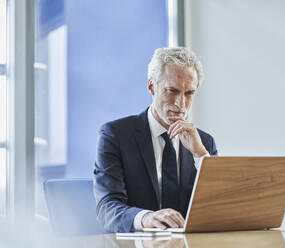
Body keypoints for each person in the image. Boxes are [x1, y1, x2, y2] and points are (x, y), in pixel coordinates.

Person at [93, 47, 218, 233]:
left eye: (189, 93)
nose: (181, 104)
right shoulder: (115, 135)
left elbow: (221, 205)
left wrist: (200, 156)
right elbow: (107, 207)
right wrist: (146, 218)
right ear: (151, 86)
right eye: (172, 91)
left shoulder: (204, 143)